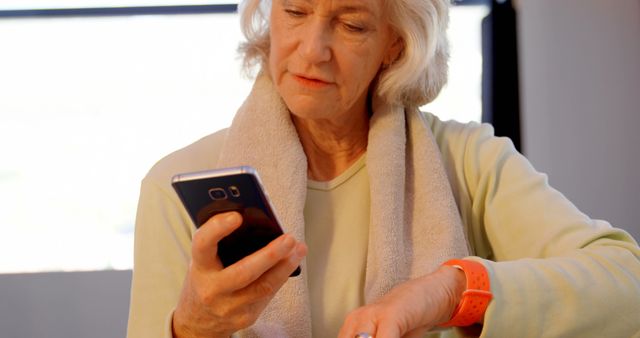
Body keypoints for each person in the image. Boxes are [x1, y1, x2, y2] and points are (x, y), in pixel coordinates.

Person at [126, 0, 640, 337]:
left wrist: (451, 290)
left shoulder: (468, 160)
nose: (312, 50)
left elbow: (627, 283)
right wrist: (191, 326)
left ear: (396, 43)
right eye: (295, 11)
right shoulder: (179, 184)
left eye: (351, 24)